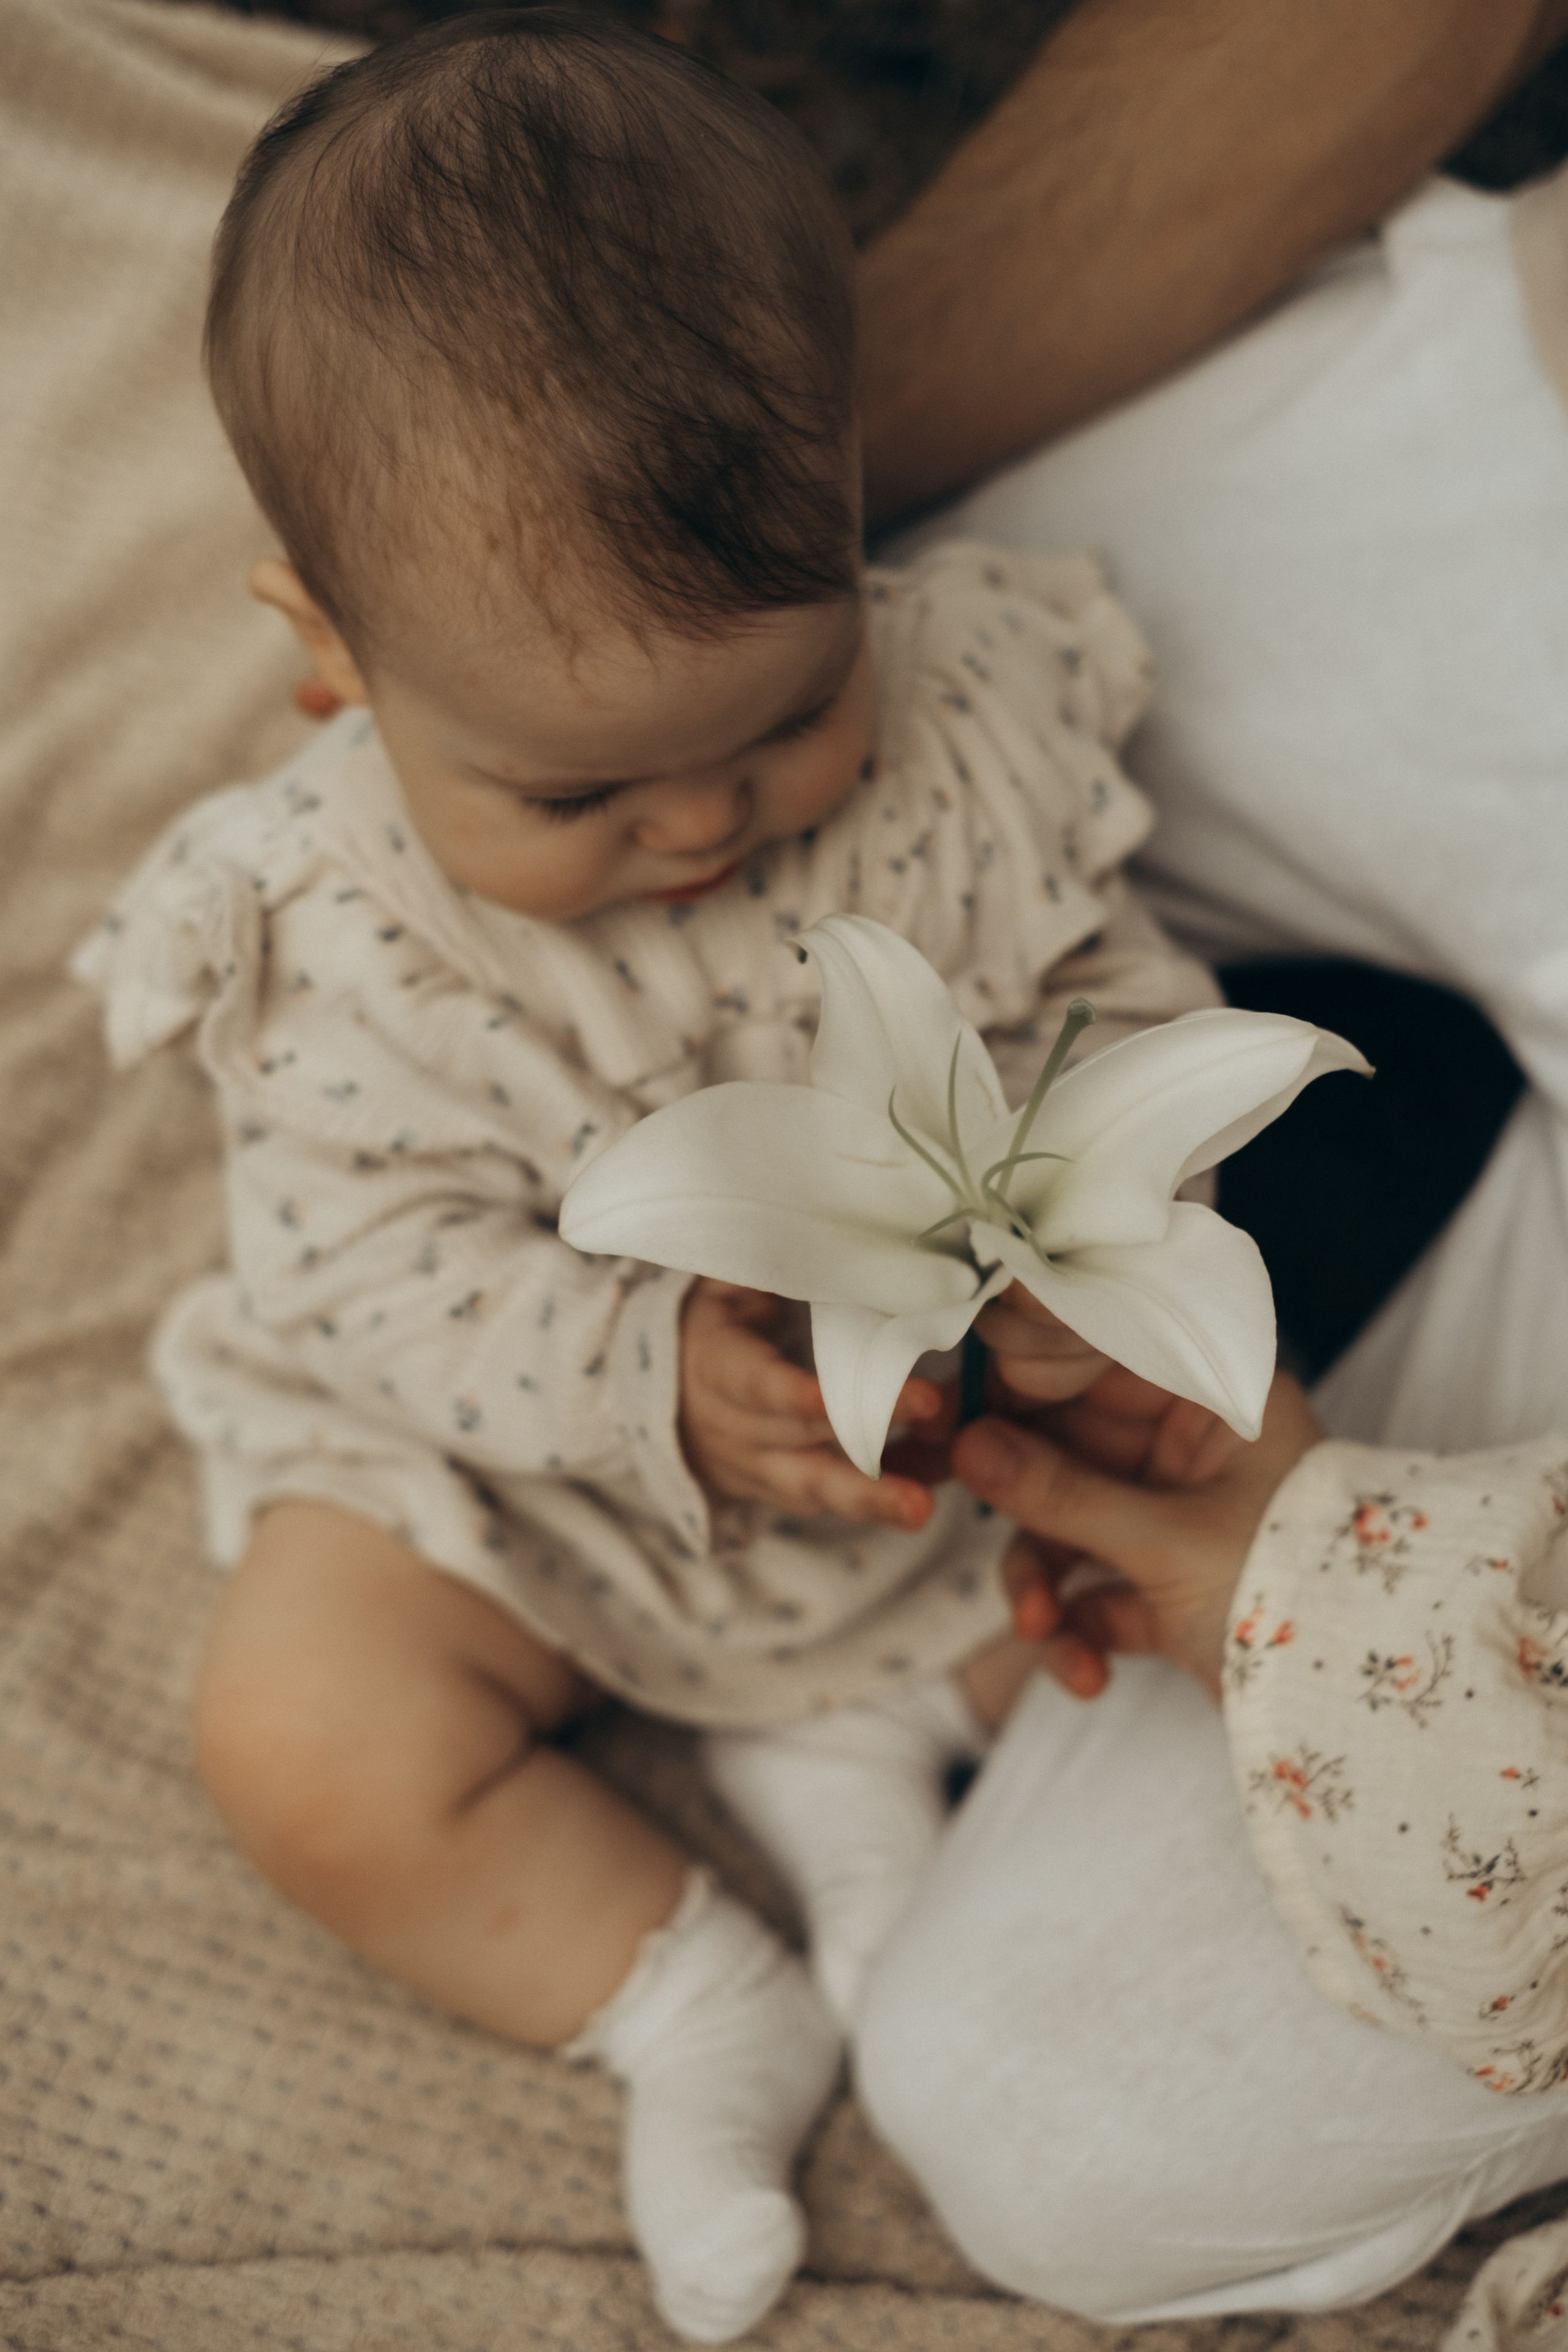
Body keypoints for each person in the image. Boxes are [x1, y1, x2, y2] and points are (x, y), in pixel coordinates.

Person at [70, 13, 1242, 2340]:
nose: (705, 829)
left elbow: (1121, 991)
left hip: (927, 1465)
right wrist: (635, 1371)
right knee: (303, 1737)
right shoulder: (328, 933)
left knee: (1147, 1667)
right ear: (334, 662)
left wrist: (1081, 1233)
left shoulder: (963, 747)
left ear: (852, 515)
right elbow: (365, 1269)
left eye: (787, 718)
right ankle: (691, 1993)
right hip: (524, 1479)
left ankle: (877, 1801)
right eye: (582, 802)